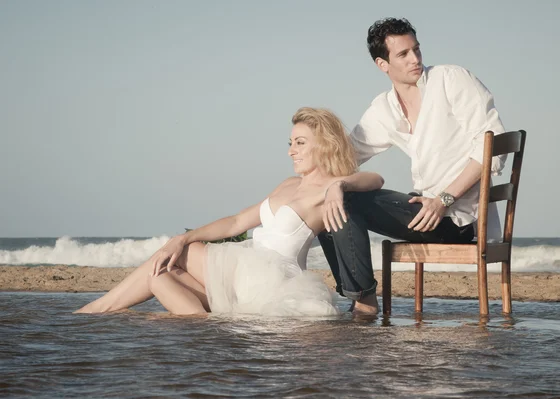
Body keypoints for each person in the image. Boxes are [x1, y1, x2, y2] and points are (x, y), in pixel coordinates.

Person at [75, 107, 384, 316]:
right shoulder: (288, 184)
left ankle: (94, 311)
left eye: (301, 142)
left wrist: (340, 185)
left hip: (272, 278)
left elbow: (375, 179)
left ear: (325, 145)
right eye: (290, 142)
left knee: (176, 253)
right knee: (160, 277)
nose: (291, 149)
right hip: (246, 279)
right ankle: (208, 324)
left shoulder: (327, 188)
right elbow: (236, 222)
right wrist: (182, 237)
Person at [318, 17, 506, 315]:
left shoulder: (450, 80)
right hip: (422, 211)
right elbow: (346, 157)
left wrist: (444, 199)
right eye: (403, 54)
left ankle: (364, 302)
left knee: (346, 200)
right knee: (326, 204)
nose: (415, 59)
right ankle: (356, 295)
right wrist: (318, 180)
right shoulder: (384, 108)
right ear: (383, 64)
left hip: (455, 217)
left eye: (416, 50)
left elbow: (492, 148)